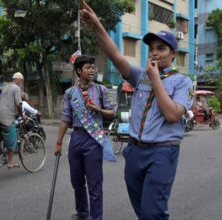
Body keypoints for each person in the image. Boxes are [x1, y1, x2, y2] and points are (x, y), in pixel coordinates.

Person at [81, 2, 193, 219]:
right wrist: (96, 24)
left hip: (162, 152)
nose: (154, 53)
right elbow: (115, 55)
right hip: (134, 151)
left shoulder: (182, 82)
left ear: (173, 53)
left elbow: (171, 115)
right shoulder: (140, 75)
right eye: (151, 49)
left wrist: (156, 80)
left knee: (153, 212)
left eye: (161, 48)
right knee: (142, 210)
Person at [53, 55, 117, 220]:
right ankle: (82, 213)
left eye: (93, 68)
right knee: (77, 181)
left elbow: (112, 113)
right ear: (79, 70)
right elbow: (65, 119)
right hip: (76, 137)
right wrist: (59, 142)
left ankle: (96, 217)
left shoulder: (102, 90)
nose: (92, 71)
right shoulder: (70, 93)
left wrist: (98, 110)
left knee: (95, 184)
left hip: (94, 138)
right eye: (88, 68)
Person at [0, 72, 24, 169]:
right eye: (21, 81)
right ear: (18, 79)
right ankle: (10, 162)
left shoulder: (5, 87)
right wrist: (22, 115)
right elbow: (18, 104)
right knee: (12, 138)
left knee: (4, 134)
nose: (21, 82)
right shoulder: (16, 88)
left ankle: (2, 152)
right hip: (7, 116)